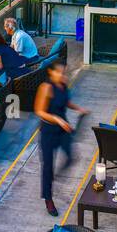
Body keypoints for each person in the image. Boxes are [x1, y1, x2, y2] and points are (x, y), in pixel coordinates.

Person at [35, 59, 89, 216]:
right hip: (48, 131)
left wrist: (79, 108)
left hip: (63, 129)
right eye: (58, 72)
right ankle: (48, 199)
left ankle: (54, 175)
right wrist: (57, 119)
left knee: (71, 157)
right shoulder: (46, 88)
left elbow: (66, 102)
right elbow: (39, 111)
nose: (62, 75)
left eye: (63, 72)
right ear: (50, 72)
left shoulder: (63, 85)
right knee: (47, 166)